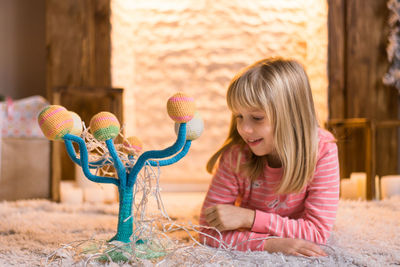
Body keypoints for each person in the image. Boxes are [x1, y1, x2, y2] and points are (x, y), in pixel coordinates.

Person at [199, 58, 339, 257]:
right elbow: (207, 232)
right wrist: (270, 244)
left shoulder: (323, 150)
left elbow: (317, 232)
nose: (244, 129)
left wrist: (249, 218)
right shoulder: (236, 155)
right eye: (239, 116)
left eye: (257, 118)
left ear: (291, 116)